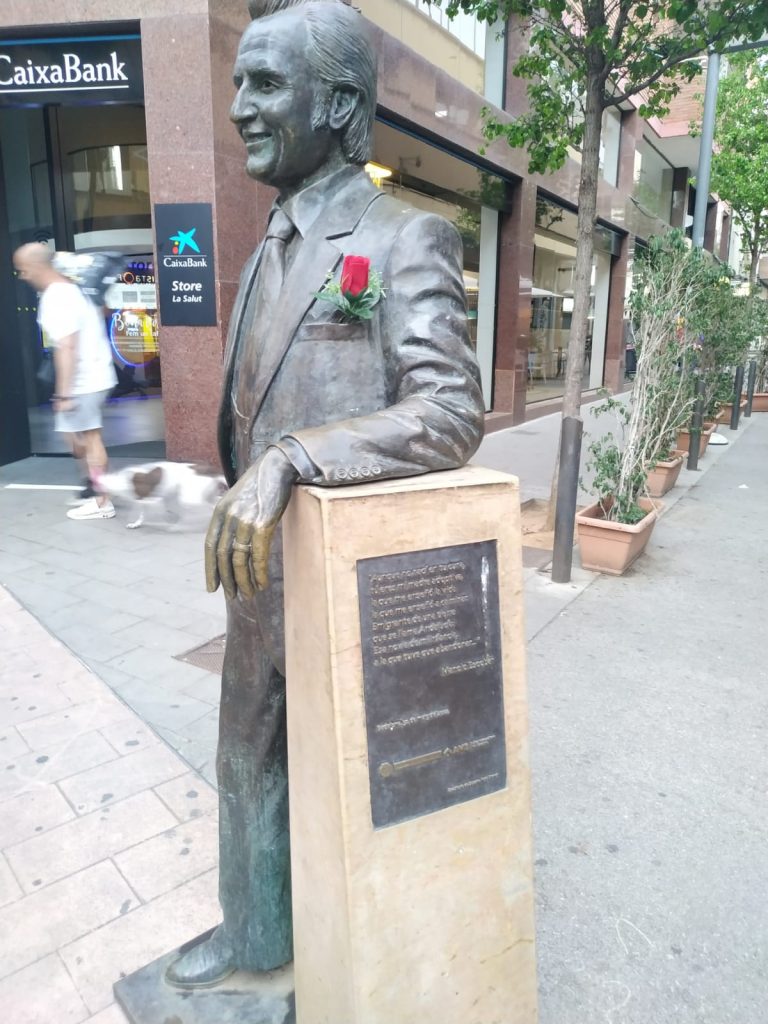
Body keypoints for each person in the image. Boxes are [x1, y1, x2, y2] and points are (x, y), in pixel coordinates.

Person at [166, 0, 485, 988]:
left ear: (341, 103)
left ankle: (354, 956)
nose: (238, 107)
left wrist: (294, 456)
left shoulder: (401, 237)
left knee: (341, 787)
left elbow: (451, 408)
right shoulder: (270, 241)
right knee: (246, 759)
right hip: (264, 578)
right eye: (236, 84)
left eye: (265, 86)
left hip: (348, 583)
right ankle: (257, 935)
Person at [14, 243, 117, 520]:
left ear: (36, 268)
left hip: (84, 380)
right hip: (93, 375)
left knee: (90, 438)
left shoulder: (57, 296)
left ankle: (101, 501)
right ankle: (93, 489)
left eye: (23, 271)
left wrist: (64, 394)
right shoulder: (74, 289)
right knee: (76, 438)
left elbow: (66, 346)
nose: (22, 277)